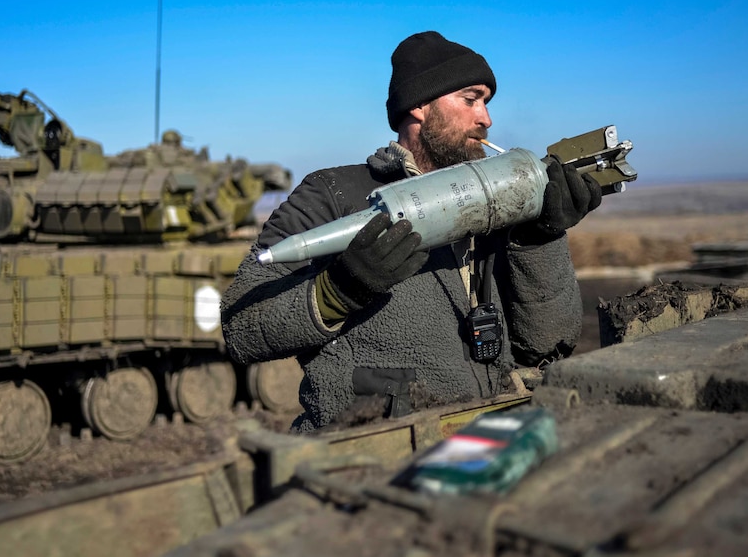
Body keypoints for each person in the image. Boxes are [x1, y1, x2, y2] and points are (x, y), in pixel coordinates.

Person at [221, 31, 601, 432]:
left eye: (487, 104)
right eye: (471, 99)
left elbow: (544, 347)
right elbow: (241, 325)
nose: (486, 119)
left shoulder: (500, 207)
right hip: (375, 457)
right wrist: (340, 289)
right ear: (420, 106)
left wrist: (541, 239)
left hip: (483, 445)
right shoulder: (334, 195)